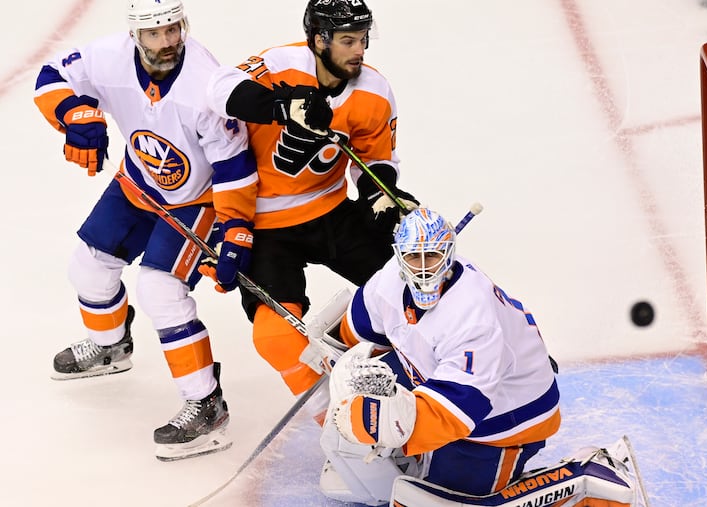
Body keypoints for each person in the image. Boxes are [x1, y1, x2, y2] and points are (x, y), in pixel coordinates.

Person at [33, 0, 257, 461]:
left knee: (159, 289)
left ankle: (206, 404)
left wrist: (236, 229)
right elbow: (51, 75)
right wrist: (73, 115)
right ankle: (110, 346)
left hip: (196, 202)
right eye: (155, 34)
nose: (168, 41)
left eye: (173, 30)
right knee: (89, 268)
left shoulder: (205, 83)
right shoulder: (108, 57)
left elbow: (234, 165)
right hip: (137, 183)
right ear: (136, 35)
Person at [204, 0, 417, 397]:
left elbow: (374, 158)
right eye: (347, 40)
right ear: (319, 40)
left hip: (332, 212)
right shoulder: (281, 63)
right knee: (275, 338)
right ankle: (336, 420)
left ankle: (486, 352)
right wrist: (281, 108)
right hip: (267, 229)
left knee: (417, 284)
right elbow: (217, 88)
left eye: (363, 39)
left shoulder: (373, 89)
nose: (359, 50)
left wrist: (378, 193)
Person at [317, 208, 561, 505]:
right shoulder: (389, 280)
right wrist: (329, 353)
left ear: (448, 254)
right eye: (412, 258)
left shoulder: (472, 316)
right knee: (362, 383)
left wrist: (382, 422)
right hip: (438, 374)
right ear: (399, 256)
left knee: (438, 498)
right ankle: (411, 448)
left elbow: (459, 409)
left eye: (431, 256)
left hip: (504, 414)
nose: (421, 269)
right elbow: (359, 328)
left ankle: (579, 478)